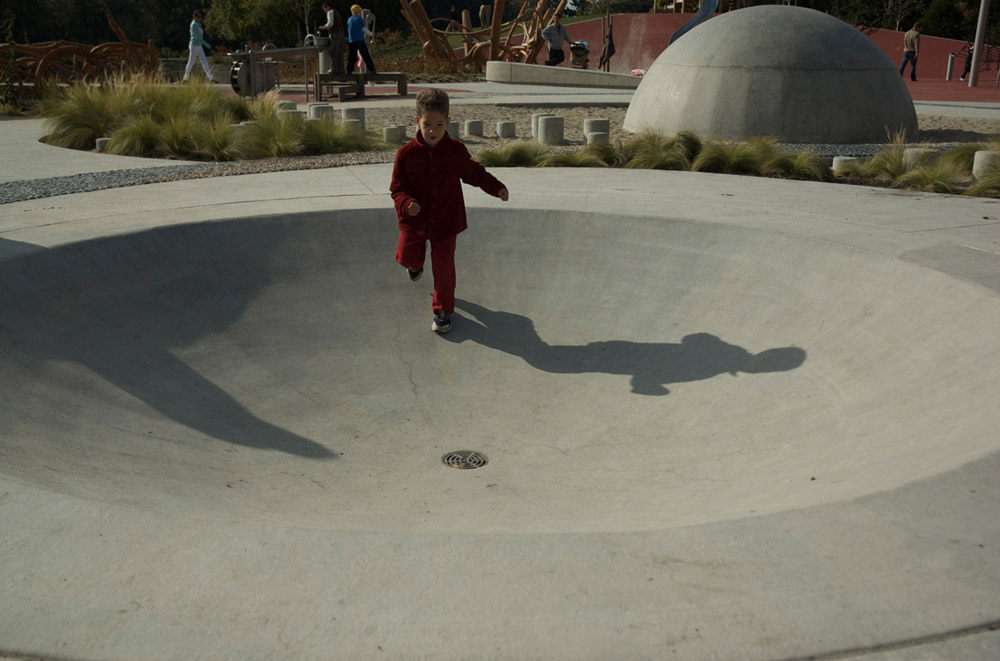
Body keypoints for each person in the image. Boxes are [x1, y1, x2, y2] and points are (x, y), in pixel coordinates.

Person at [389, 89, 509, 334]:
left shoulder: (455, 151)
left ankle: (443, 309)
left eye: (439, 124)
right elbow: (397, 188)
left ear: (448, 122)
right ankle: (414, 265)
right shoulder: (406, 154)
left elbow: (474, 173)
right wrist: (406, 203)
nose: (433, 131)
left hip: (446, 220)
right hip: (414, 221)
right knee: (406, 257)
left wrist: (496, 187)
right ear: (417, 122)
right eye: (427, 124)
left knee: (443, 267)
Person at [183, 10, 218, 83]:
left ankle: (211, 78)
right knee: (191, 62)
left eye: (200, 17)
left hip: (199, 45)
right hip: (194, 45)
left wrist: (203, 44)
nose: (199, 18)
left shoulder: (199, 25)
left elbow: (200, 37)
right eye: (198, 17)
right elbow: (197, 37)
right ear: (194, 17)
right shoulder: (193, 25)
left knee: (204, 61)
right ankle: (185, 78)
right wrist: (206, 44)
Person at [347, 4, 377, 74]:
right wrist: (371, 34)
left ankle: (349, 70)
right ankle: (372, 69)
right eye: (360, 12)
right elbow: (364, 29)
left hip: (351, 40)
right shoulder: (359, 19)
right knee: (365, 55)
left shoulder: (349, 20)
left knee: (352, 56)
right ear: (357, 12)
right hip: (360, 39)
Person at [320, 2, 346, 74]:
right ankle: (341, 69)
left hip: (335, 33)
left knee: (333, 51)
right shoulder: (336, 12)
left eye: (325, 9)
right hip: (341, 33)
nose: (325, 12)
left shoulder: (330, 12)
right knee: (340, 52)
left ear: (327, 7)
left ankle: (333, 69)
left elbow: (331, 23)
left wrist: (324, 27)